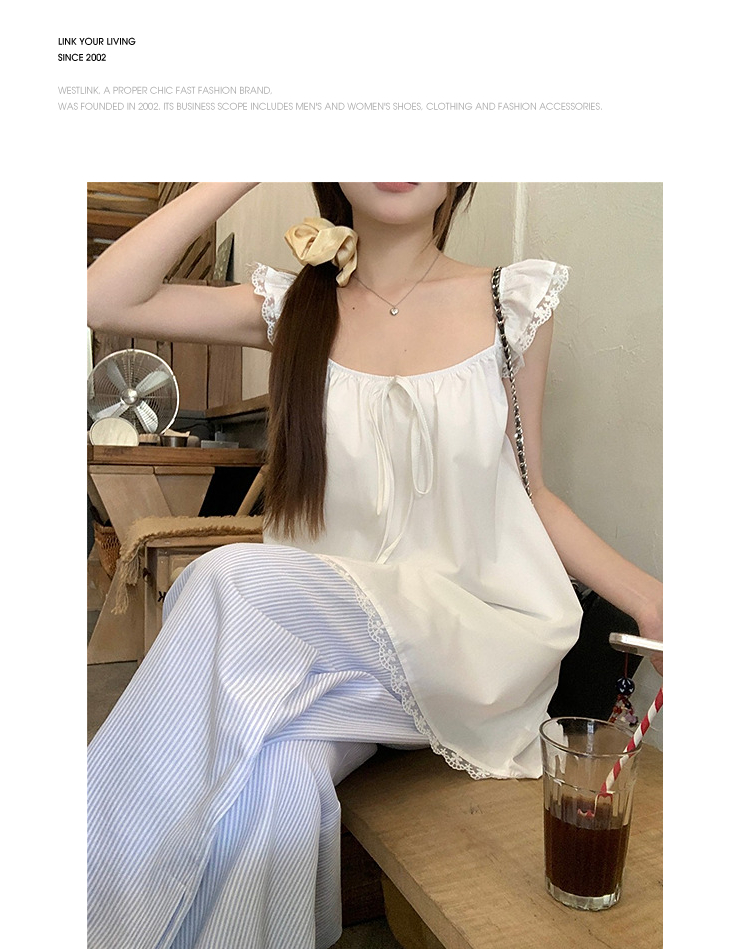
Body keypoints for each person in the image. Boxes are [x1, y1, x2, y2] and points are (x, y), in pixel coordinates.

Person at [86, 182, 663, 949]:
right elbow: (101, 297)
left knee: (224, 580)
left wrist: (652, 599)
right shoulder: (294, 306)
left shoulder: (512, 301)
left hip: (471, 641)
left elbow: (530, 492)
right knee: (281, 779)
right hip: (337, 656)